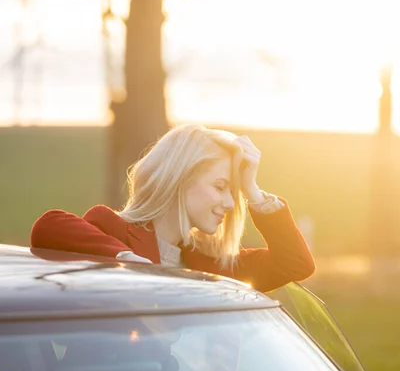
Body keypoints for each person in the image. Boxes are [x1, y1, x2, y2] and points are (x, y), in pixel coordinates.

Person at [30, 124, 315, 292]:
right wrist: (127, 260)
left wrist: (252, 190)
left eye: (234, 191)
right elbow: (49, 226)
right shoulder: (113, 229)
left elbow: (296, 264)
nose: (230, 203)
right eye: (219, 186)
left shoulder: (213, 263)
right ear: (180, 179)